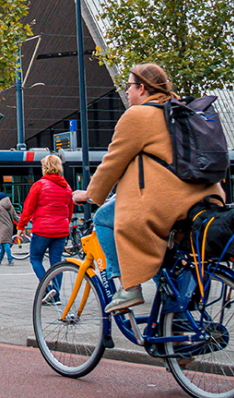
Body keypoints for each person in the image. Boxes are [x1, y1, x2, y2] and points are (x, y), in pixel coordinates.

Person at [72, 63, 225, 312]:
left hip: (168, 205)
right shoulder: (179, 110)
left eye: (129, 86)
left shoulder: (138, 115)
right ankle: (177, 320)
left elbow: (113, 161)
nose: (127, 92)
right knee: (167, 260)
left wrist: (90, 194)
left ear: (142, 88)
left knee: (103, 218)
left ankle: (128, 287)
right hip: (206, 198)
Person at [16, 154, 73, 301]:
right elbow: (69, 211)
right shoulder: (67, 188)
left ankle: (47, 289)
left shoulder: (39, 185)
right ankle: (56, 295)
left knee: (35, 259)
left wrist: (21, 226)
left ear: (45, 168)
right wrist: (63, 224)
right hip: (61, 231)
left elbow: (28, 207)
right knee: (56, 263)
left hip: (42, 230)